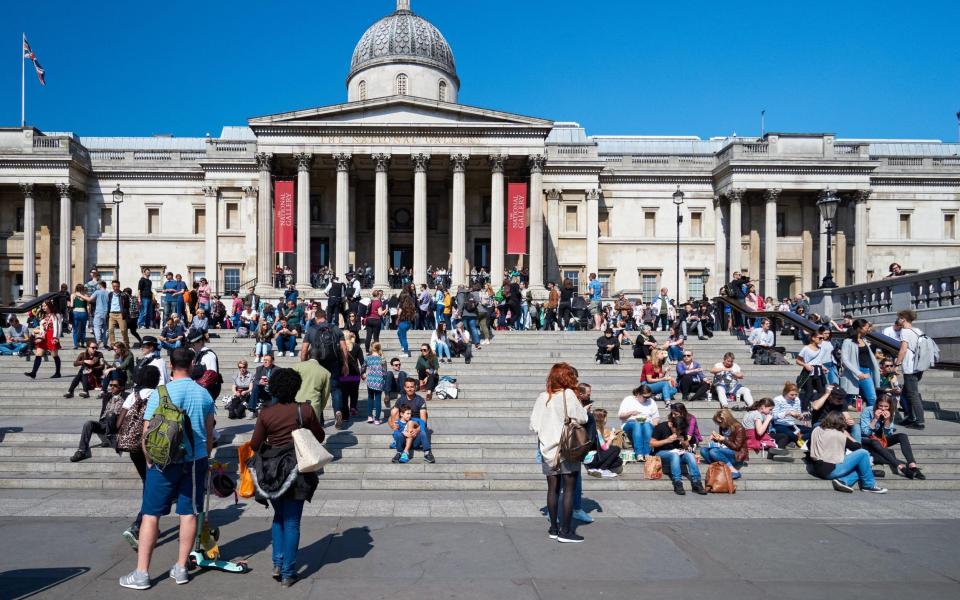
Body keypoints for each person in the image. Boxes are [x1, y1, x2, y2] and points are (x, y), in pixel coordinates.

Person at [119, 347, 216, 590]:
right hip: (195, 460)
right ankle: (181, 568)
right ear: (192, 364)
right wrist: (206, 456)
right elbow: (209, 432)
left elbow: (147, 430)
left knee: (151, 515)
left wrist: (149, 457)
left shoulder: (161, 392)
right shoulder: (203, 394)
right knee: (189, 513)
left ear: (171, 365)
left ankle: (142, 573)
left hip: (163, 461)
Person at [249, 368, 324, 588]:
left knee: (279, 517)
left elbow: (254, 444)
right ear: (296, 387)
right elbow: (319, 436)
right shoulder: (305, 410)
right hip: (297, 470)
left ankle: (278, 562)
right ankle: (288, 573)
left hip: (271, 472)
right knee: (292, 521)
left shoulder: (266, 413)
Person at [529, 363, 588, 542]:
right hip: (567, 447)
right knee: (569, 489)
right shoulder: (568, 395)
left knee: (552, 489)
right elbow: (582, 418)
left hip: (547, 449)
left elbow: (534, 425)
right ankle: (566, 531)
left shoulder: (542, 397)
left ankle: (553, 528)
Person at [116, 365, 161, 549]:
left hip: (133, 447)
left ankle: (147, 526)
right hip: (151, 445)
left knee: (147, 482)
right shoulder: (158, 395)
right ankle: (138, 526)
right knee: (151, 485)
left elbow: (119, 422)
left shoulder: (133, 395)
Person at [808, 412, 886, 494]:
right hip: (831, 471)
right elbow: (857, 447)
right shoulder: (839, 435)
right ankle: (869, 485)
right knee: (863, 453)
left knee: (862, 466)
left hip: (817, 468)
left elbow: (809, 445)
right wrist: (846, 434)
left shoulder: (817, 430)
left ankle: (844, 481)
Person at [301, 308, 350, 428]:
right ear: (325, 317)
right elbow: (344, 349)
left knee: (317, 390)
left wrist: (304, 365)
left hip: (316, 364)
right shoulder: (335, 328)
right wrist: (345, 364)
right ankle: (338, 411)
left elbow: (303, 351)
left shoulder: (311, 330)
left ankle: (320, 420)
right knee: (335, 389)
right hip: (333, 363)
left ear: (316, 318)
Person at [861, 394, 924, 480]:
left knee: (902, 436)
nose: (883, 409)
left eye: (886, 406)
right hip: (869, 440)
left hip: (882, 440)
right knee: (880, 448)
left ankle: (912, 465)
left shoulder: (891, 412)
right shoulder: (867, 411)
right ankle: (901, 468)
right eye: (880, 406)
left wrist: (887, 421)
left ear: (890, 406)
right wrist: (875, 419)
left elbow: (888, 434)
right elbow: (865, 433)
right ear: (876, 404)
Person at [649, 404, 707, 495]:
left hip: (677, 453)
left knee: (690, 455)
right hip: (661, 453)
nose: (677, 432)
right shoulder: (661, 427)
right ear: (671, 424)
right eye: (676, 430)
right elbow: (651, 444)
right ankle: (677, 482)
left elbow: (687, 447)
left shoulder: (681, 428)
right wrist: (667, 440)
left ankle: (697, 482)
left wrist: (683, 442)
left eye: (680, 431)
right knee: (674, 455)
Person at [69, 379, 125, 462]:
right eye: (111, 385)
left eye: (115, 386)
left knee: (110, 414)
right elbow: (103, 411)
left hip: (114, 424)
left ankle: (108, 437)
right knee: (88, 423)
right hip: (104, 423)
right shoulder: (108, 396)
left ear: (121, 388)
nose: (112, 387)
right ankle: (81, 451)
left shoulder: (126, 398)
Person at [840, 318, 880, 432]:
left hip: (867, 372)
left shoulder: (864, 340)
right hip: (857, 373)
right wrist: (858, 373)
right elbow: (845, 360)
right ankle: (870, 425)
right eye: (866, 327)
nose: (869, 328)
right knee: (870, 399)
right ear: (859, 328)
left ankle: (869, 425)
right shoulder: (848, 342)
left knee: (870, 399)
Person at [890, 310, 926, 430]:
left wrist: (896, 364)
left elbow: (903, 350)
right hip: (918, 366)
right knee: (906, 393)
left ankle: (920, 422)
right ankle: (910, 417)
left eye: (899, 318)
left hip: (910, 368)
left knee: (913, 395)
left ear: (903, 319)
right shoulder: (917, 330)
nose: (898, 320)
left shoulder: (905, 331)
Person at [388, 378, 435, 463]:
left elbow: (423, 420)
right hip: (403, 432)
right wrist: (393, 425)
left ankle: (427, 453)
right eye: (408, 387)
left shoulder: (420, 400)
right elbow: (391, 417)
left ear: (416, 387)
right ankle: (399, 452)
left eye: (412, 387)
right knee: (394, 412)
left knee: (423, 432)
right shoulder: (400, 400)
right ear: (405, 388)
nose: (410, 389)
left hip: (415, 433)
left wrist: (417, 430)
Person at [701, 409, 747, 479]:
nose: (719, 424)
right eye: (717, 423)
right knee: (703, 450)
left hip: (736, 454)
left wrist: (724, 440)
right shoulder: (723, 427)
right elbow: (722, 441)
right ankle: (720, 466)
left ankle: (734, 471)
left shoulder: (739, 428)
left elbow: (737, 447)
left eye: (720, 422)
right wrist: (716, 439)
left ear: (726, 419)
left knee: (713, 451)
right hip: (724, 451)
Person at [619, 384, 660, 461]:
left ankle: (647, 453)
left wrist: (655, 425)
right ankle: (639, 453)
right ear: (638, 394)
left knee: (647, 425)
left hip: (646, 422)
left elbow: (656, 418)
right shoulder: (628, 399)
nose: (647, 399)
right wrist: (631, 413)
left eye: (649, 397)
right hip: (630, 422)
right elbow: (621, 416)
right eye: (645, 397)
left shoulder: (651, 402)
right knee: (637, 424)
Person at [25, 302, 62, 379]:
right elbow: (42, 327)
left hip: (52, 336)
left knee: (54, 355)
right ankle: (33, 373)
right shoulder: (44, 315)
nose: (43, 307)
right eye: (42, 306)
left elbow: (58, 327)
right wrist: (40, 336)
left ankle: (58, 372)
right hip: (44, 336)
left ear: (49, 306)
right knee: (38, 354)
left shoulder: (56, 315)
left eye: (45, 306)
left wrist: (56, 338)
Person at [292, 356, 331, 425]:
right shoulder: (326, 372)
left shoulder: (297, 366)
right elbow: (325, 394)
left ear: (308, 356)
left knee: (296, 431)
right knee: (312, 432)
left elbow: (289, 382)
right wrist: (320, 408)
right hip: (314, 404)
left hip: (296, 402)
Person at [584, 408, 622, 476]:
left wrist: (605, 440)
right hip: (593, 459)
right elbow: (605, 448)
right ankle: (602, 470)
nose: (606, 420)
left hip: (588, 459)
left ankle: (594, 469)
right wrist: (610, 438)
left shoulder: (590, 427)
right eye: (606, 417)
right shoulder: (597, 430)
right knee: (616, 449)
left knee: (618, 461)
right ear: (602, 419)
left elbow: (598, 444)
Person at [796, 329, 827, 410]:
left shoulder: (821, 349)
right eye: (820, 338)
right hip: (808, 372)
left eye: (823, 338)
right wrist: (805, 365)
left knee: (822, 392)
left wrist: (822, 367)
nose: (822, 340)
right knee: (809, 392)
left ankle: (819, 408)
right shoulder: (806, 348)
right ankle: (804, 410)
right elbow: (798, 360)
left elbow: (818, 361)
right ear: (813, 338)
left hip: (819, 371)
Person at [772, 382, 810, 447]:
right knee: (791, 434)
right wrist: (788, 413)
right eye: (791, 395)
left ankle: (798, 438)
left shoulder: (797, 400)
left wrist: (802, 416)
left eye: (796, 394)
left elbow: (798, 416)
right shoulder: (778, 400)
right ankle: (797, 439)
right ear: (785, 393)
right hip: (779, 424)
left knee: (814, 430)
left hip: (791, 424)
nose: (794, 397)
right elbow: (773, 416)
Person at [340, 331, 364, 419]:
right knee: (354, 392)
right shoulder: (357, 346)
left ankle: (345, 410)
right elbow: (362, 362)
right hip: (355, 374)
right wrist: (363, 372)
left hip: (343, 374)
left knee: (344, 394)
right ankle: (353, 407)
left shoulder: (340, 347)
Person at [364, 342, 387, 424]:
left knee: (370, 398)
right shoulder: (382, 358)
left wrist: (363, 374)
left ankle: (370, 416)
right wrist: (384, 380)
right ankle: (377, 419)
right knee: (378, 400)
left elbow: (363, 367)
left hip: (370, 380)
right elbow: (385, 372)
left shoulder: (368, 358)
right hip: (379, 381)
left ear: (371, 348)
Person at [70, 284, 92, 349]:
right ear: (83, 289)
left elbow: (71, 305)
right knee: (83, 329)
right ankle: (82, 343)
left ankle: (75, 344)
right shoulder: (85, 295)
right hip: (83, 313)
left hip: (75, 312)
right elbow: (88, 306)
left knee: (75, 330)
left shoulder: (73, 295)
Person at [396, 292, 416, 357]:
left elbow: (399, 313)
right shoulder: (411, 306)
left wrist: (398, 310)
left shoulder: (402, 305)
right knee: (399, 333)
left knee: (404, 338)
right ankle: (403, 346)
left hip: (402, 323)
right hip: (408, 323)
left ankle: (406, 352)